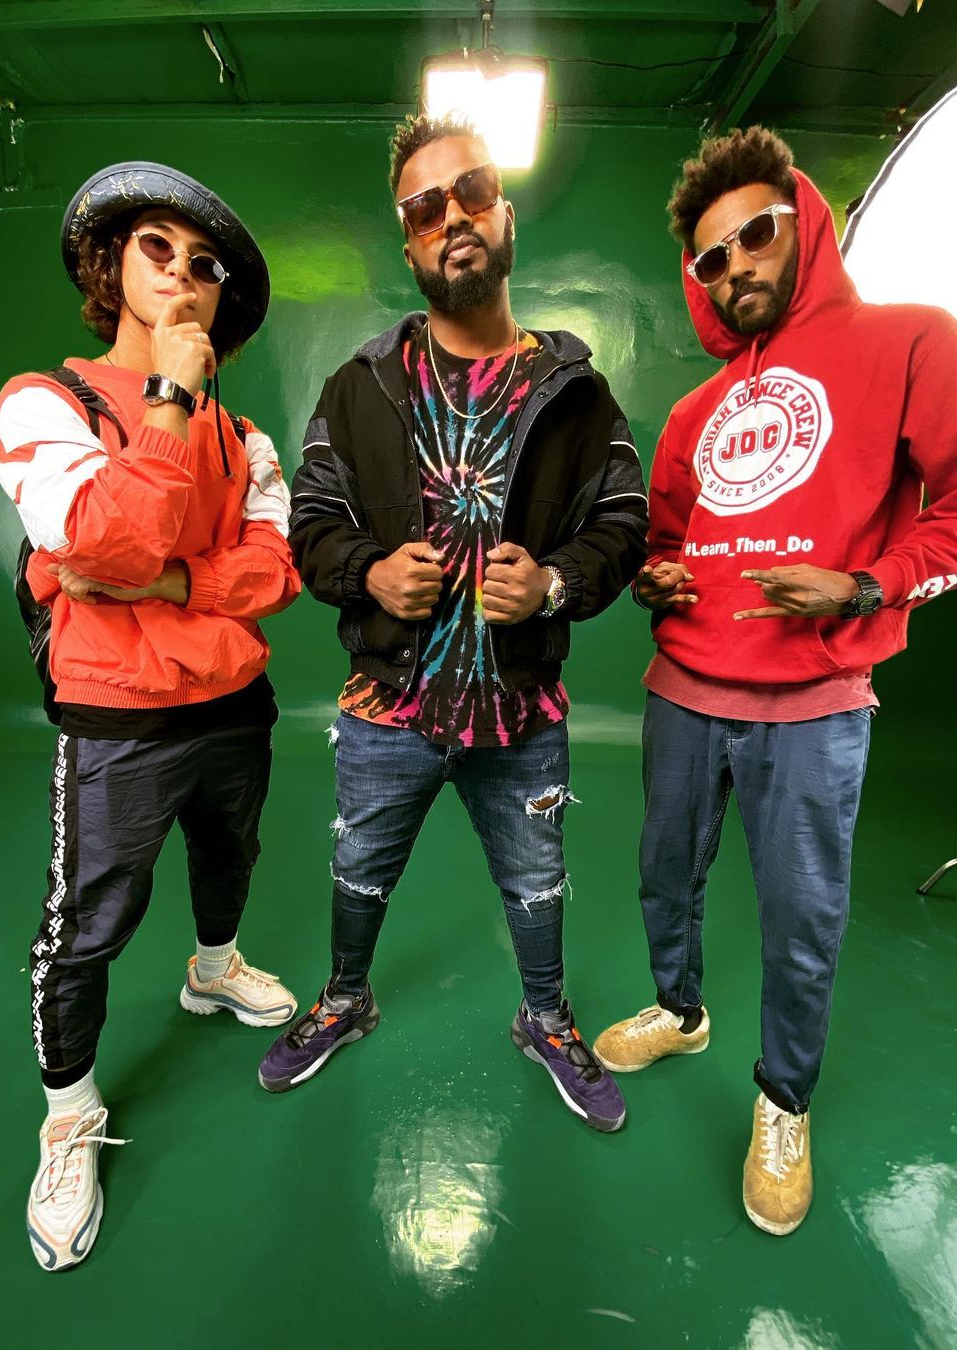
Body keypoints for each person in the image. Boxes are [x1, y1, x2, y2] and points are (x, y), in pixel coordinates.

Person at [594, 127, 957, 1235]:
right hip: (683, 689)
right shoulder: (695, 414)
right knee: (665, 875)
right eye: (711, 257)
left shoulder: (911, 342)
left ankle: (784, 1100)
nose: (736, 264)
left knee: (802, 917)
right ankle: (681, 1009)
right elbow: (667, 542)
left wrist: (862, 586)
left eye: (756, 233)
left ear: (803, 221)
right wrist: (657, 579)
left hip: (814, 704)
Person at [257, 115, 648, 1130]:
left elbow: (623, 522)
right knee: (357, 870)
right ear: (409, 245)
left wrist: (553, 585)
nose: (453, 217)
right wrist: (371, 573)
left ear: (505, 213)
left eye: (472, 190)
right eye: (425, 207)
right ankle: (344, 999)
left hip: (522, 711)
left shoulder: (578, 393)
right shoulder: (358, 387)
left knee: (538, 882)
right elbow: (310, 525)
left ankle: (546, 1018)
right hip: (385, 707)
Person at [0, 161, 302, 1270]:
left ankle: (213, 967)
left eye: (203, 263)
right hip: (115, 716)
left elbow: (276, 572)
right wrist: (167, 396)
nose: (180, 272)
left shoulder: (248, 438)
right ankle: (68, 1115)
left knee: (230, 855)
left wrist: (168, 583)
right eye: (155, 249)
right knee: (88, 924)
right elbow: (97, 539)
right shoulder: (44, 402)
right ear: (107, 267)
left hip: (234, 703)